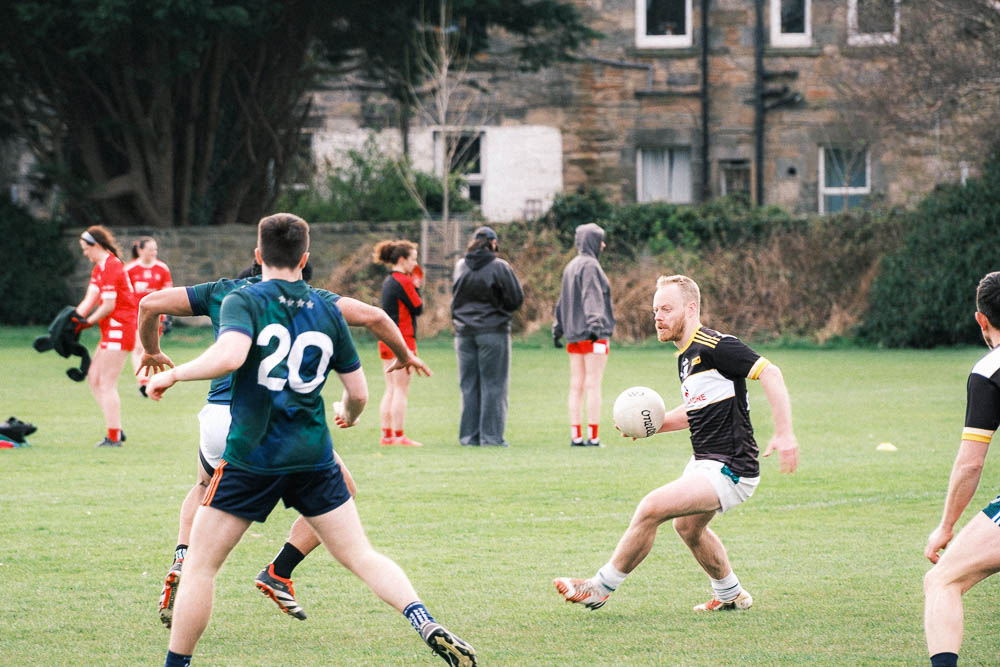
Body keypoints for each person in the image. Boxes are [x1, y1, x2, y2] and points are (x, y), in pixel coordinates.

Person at [145, 214, 473, 667]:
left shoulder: (242, 298)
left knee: (200, 565)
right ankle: (422, 618)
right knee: (360, 554)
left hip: (253, 456)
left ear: (259, 256)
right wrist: (347, 412)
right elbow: (358, 392)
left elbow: (231, 354)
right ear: (305, 258)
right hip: (312, 455)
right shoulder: (327, 309)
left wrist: (176, 373)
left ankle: (176, 664)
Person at [137, 260, 431, 627]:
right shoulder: (311, 301)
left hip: (216, 417)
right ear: (302, 261)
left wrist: (150, 350)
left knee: (202, 486)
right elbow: (374, 316)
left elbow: (149, 303)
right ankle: (279, 570)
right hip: (272, 422)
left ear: (260, 256)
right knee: (344, 491)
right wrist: (404, 354)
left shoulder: (223, 291)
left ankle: (184, 556)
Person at [554, 274, 798, 612]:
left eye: (666, 309)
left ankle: (600, 587)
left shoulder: (717, 346)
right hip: (705, 462)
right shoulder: (686, 356)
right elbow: (696, 409)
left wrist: (784, 432)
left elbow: (771, 373)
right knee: (688, 528)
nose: (658, 316)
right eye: (655, 310)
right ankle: (730, 594)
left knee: (651, 508)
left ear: (691, 308)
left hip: (732, 466)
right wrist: (652, 425)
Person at [923, 271, 1000, 667]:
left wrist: (947, 526)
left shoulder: (990, 370)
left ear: (981, 320)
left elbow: (971, 462)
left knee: (942, 580)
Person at [451, 226, 524, 447]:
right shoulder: (499, 266)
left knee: (469, 385)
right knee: (494, 385)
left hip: (463, 333)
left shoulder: (460, 266)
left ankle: (469, 437)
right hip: (493, 331)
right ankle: (491, 438)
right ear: (493, 243)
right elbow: (515, 299)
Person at [74, 226, 138, 447]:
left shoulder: (112, 266)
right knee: (93, 378)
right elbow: (89, 300)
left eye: (85, 248)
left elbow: (109, 305)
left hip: (121, 327)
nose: (85, 253)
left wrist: (87, 323)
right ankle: (116, 427)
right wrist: (72, 320)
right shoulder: (99, 268)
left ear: (97, 245)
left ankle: (114, 436)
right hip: (110, 329)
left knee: (107, 383)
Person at [553, 223, 615, 447]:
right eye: (601, 240)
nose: (604, 244)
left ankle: (576, 436)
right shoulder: (591, 266)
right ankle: (593, 436)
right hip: (593, 335)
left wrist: (558, 327)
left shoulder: (571, 266)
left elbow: (562, 301)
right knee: (593, 384)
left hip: (573, 335)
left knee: (576, 384)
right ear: (593, 242)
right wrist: (596, 325)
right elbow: (592, 296)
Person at [373, 239, 424, 447]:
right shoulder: (403, 280)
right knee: (401, 389)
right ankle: (400, 435)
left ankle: (387, 435)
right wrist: (417, 285)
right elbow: (417, 307)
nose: (415, 264)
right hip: (402, 340)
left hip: (386, 339)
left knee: (391, 388)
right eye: (413, 259)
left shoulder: (388, 280)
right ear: (402, 259)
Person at [126, 236, 173, 396]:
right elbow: (124, 295)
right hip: (135, 315)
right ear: (140, 250)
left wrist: (167, 317)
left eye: (155, 249)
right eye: (150, 249)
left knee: (153, 349)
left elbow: (168, 294)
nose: (154, 252)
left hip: (156, 315)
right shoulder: (130, 269)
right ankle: (143, 382)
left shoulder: (162, 268)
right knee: (138, 347)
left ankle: (153, 382)